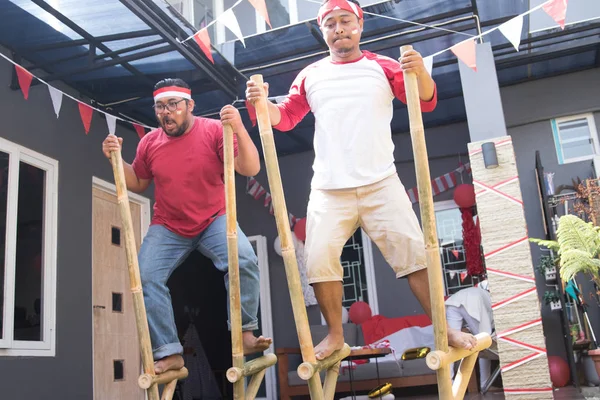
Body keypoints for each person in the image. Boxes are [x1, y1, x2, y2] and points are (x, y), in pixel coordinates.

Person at [246, 0, 477, 361]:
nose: (339, 29)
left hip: (381, 183)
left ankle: (445, 331)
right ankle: (336, 335)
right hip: (327, 188)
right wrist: (262, 105)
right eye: (330, 24)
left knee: (416, 256)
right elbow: (286, 117)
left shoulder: (382, 66)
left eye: (345, 21)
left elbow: (423, 101)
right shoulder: (311, 75)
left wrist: (421, 73)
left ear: (360, 25)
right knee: (318, 258)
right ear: (322, 32)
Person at [102, 78, 271, 374]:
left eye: (173, 105)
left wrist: (240, 128)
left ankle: (244, 333)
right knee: (145, 276)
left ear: (189, 105)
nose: (166, 113)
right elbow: (138, 183)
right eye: (160, 107)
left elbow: (250, 168)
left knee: (243, 258)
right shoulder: (149, 142)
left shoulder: (213, 130)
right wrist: (116, 160)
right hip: (169, 225)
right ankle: (169, 351)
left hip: (214, 219)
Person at [446, 282, 494, 391]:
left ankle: (449, 385)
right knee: (483, 343)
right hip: (473, 301)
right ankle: (485, 383)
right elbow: (487, 335)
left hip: (454, 302)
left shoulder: (481, 293)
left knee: (450, 344)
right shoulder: (489, 298)